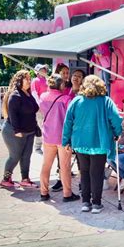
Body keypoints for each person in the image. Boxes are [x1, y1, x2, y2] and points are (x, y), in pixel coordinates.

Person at [62, 75, 122, 214]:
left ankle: (85, 202)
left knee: (84, 172)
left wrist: (66, 141)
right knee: (97, 173)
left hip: (80, 142)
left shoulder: (76, 100)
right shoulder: (106, 101)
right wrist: (117, 133)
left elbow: (68, 122)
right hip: (99, 143)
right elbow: (116, 120)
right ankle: (96, 203)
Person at [39, 74, 80, 202]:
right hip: (63, 138)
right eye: (63, 83)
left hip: (48, 136)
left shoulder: (43, 96)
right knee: (65, 167)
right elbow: (73, 118)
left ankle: (44, 192)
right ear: (60, 85)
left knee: (46, 165)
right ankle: (67, 194)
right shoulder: (66, 99)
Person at [0, 70, 39, 188]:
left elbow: (32, 112)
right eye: (26, 78)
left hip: (29, 131)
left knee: (27, 155)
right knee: (15, 156)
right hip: (13, 131)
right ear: (19, 81)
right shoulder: (15, 95)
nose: (29, 80)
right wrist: (17, 131)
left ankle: (25, 179)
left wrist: (35, 126)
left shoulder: (28, 93)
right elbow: (12, 115)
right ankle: (6, 179)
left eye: (29, 78)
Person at [51, 63, 77, 192]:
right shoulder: (56, 90)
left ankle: (64, 177)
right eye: (64, 73)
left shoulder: (71, 88)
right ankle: (60, 179)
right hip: (59, 126)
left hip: (71, 125)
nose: (67, 75)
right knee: (59, 155)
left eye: (68, 73)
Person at [31, 63, 49, 154]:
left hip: (48, 107)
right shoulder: (35, 81)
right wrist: (39, 105)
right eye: (42, 70)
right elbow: (34, 94)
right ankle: (37, 147)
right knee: (40, 126)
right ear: (37, 72)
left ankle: (45, 145)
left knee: (46, 126)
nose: (44, 71)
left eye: (45, 70)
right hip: (39, 108)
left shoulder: (47, 80)